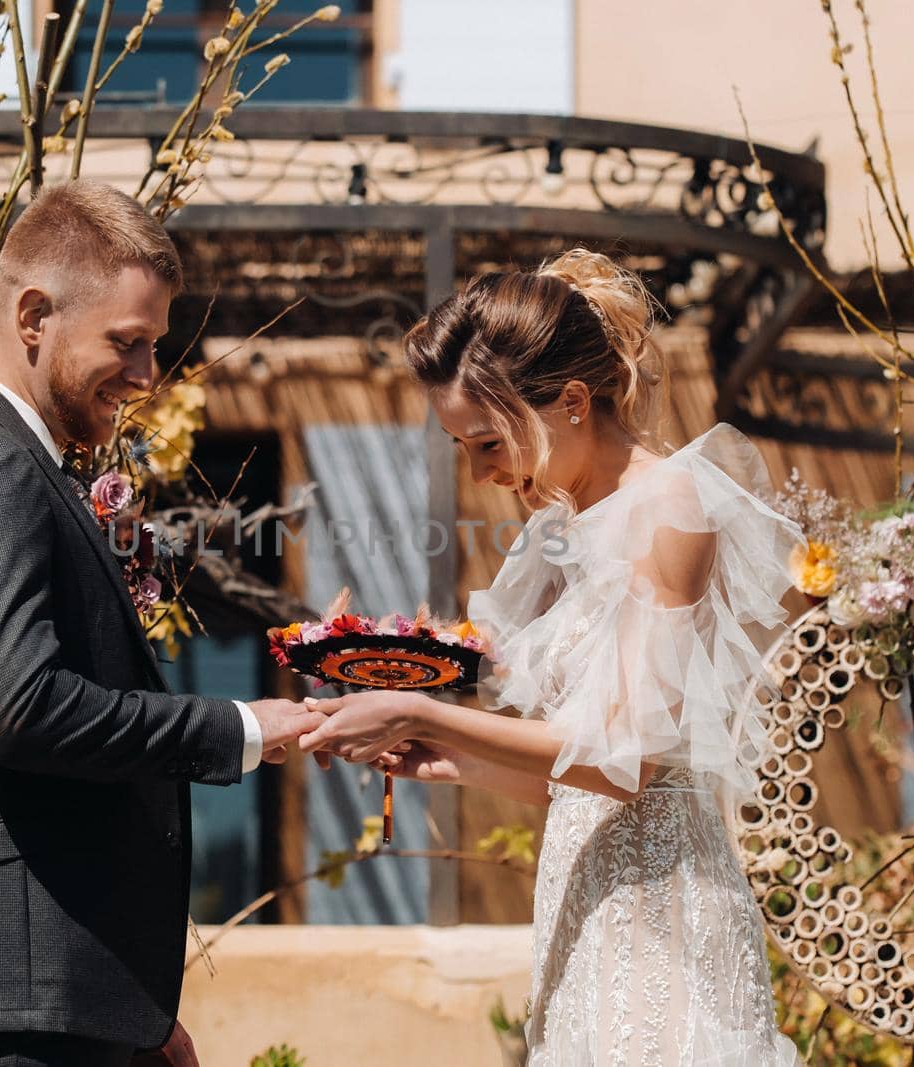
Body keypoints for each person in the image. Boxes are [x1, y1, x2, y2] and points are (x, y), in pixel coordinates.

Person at [0, 180, 324, 1067]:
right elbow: (22, 707)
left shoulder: (6, 459)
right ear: (33, 315)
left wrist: (124, 1007)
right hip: (9, 999)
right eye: (126, 343)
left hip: (45, 988)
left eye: (156, 346)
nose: (147, 376)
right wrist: (240, 725)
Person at [300, 249, 806, 1065]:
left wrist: (424, 709)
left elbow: (630, 759)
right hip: (583, 909)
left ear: (572, 402)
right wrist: (445, 753)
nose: (483, 473)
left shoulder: (672, 503)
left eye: (488, 442)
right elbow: (569, 777)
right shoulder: (560, 532)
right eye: (463, 447)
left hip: (663, 919)